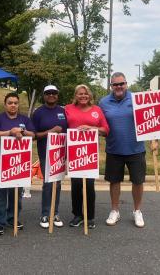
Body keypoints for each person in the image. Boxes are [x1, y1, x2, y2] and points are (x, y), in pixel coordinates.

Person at [99, 72, 146, 228]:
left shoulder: (137, 100)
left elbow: (151, 120)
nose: (118, 87)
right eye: (115, 84)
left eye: (121, 83)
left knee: (138, 182)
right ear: (111, 86)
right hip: (114, 149)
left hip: (136, 149)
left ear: (126, 84)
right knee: (114, 181)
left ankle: (137, 211)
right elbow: (100, 123)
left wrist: (155, 141)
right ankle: (115, 210)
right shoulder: (103, 102)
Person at [0, 93, 35, 236]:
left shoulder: (24, 119)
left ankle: (13, 217)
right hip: (1, 161)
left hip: (19, 162)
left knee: (16, 192)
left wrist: (22, 131)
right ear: (5, 104)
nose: (13, 105)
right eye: (10, 103)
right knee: (1, 192)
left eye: (16, 103)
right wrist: (10, 132)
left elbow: (33, 135)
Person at [65, 84, 109, 229]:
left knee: (89, 185)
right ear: (75, 96)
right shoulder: (68, 109)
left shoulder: (97, 110)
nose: (83, 96)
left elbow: (105, 130)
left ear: (89, 95)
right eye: (80, 94)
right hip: (74, 152)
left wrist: (92, 128)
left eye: (85, 94)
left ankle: (89, 217)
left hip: (90, 153)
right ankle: (77, 215)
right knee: (76, 184)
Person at [32, 85, 68, 229]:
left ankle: (55, 212)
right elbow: (34, 135)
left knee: (57, 183)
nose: (51, 95)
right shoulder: (38, 112)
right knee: (48, 183)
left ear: (57, 95)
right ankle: (45, 213)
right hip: (45, 152)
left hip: (60, 152)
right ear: (44, 95)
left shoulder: (63, 111)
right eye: (48, 93)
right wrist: (51, 131)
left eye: (54, 93)